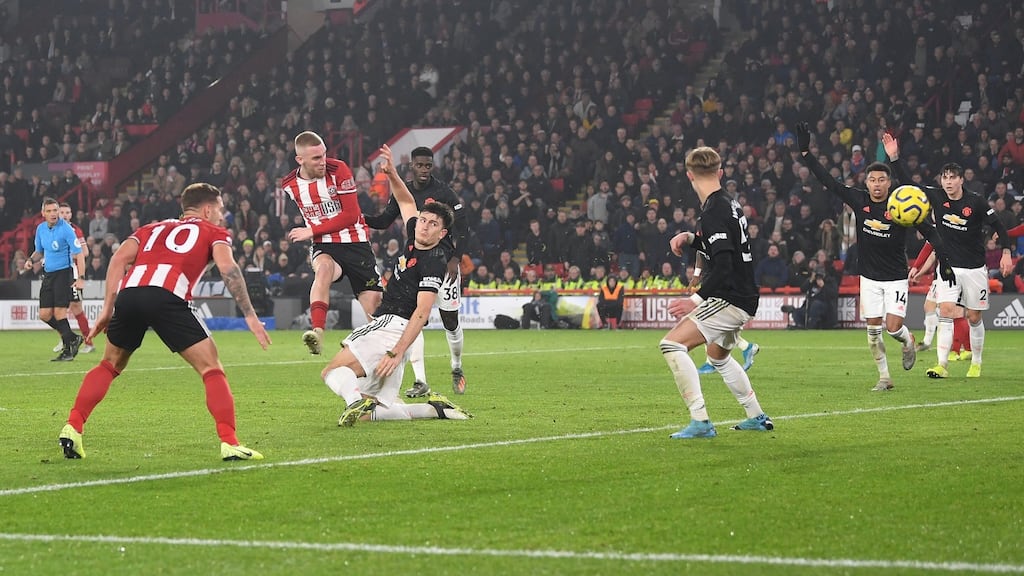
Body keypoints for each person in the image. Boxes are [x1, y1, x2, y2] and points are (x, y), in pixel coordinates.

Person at [57, 183, 272, 461]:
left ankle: (72, 426)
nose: (222, 216)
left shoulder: (151, 228)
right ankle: (229, 442)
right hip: (168, 296)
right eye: (219, 210)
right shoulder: (213, 231)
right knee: (211, 368)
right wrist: (251, 316)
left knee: (109, 364)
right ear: (207, 209)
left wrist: (108, 308)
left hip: (130, 294)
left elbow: (119, 259)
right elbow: (228, 268)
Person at [320, 145, 470, 426]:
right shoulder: (417, 234)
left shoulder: (433, 260)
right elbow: (405, 199)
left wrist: (398, 351)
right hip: (392, 331)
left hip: (391, 328)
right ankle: (434, 410)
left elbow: (423, 312)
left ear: (443, 232)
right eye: (422, 220)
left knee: (331, 372)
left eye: (431, 224)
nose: (423, 226)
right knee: (369, 415)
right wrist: (391, 173)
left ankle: (353, 402)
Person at [799, 123, 948, 391]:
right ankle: (884, 378)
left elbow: (932, 234)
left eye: (882, 180)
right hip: (868, 277)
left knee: (892, 329)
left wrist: (944, 262)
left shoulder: (902, 205)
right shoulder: (859, 200)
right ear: (866, 182)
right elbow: (828, 182)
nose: (877, 184)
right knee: (871, 333)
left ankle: (908, 341)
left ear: (889, 183)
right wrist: (806, 153)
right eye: (872, 180)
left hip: (895, 278)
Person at [662, 146, 773, 439]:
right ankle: (757, 416)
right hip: (745, 294)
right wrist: (690, 238)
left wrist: (695, 300)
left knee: (671, 345)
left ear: (689, 176)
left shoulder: (713, 210)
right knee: (718, 356)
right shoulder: (729, 204)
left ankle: (700, 421)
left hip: (730, 297)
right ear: (720, 173)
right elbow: (725, 249)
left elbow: (723, 264)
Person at [883, 133, 1014, 379]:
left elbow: (1000, 227)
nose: (948, 182)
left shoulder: (975, 202)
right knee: (944, 313)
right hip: (948, 268)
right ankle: (942, 365)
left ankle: (976, 362)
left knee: (974, 317)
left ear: (961, 180)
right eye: (945, 178)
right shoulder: (936, 196)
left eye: (953, 178)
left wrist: (1006, 252)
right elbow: (908, 182)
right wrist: (894, 158)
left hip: (974, 268)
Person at [365, 146, 470, 397]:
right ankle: (421, 380)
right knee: (412, 317)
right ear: (411, 166)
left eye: (428, 166)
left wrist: (455, 259)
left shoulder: (444, 192)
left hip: (441, 265)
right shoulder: (406, 191)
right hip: (414, 264)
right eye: (420, 165)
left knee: (450, 321)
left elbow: (464, 228)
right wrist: (355, 217)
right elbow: (382, 221)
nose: (424, 170)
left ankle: (456, 366)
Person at [282, 131, 381, 356]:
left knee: (374, 307)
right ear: (300, 160)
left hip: (356, 243)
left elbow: (351, 215)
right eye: (316, 158)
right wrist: (314, 232)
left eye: (324, 154)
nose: (323, 161)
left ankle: (383, 347)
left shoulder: (339, 170)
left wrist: (311, 230)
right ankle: (317, 333)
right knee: (323, 270)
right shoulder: (289, 185)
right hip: (325, 245)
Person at [25, 197, 86, 361]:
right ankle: (72, 338)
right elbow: (39, 251)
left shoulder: (66, 229)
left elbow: (79, 254)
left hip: (63, 273)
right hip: (49, 274)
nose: (53, 214)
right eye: (50, 211)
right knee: (44, 315)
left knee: (60, 313)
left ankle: (68, 349)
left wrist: (81, 277)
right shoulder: (40, 229)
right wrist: (31, 260)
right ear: (43, 213)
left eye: (55, 210)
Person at [689, 252, 761, 376]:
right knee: (714, 323)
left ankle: (711, 363)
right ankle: (745, 347)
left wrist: (697, 276)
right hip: (717, 279)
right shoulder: (706, 236)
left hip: (720, 281)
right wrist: (696, 274)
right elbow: (699, 252)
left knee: (706, 321)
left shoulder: (720, 237)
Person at [50, 203, 95, 355]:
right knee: (57, 309)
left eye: (67, 212)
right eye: (62, 212)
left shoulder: (75, 230)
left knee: (76, 308)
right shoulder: (51, 229)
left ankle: (88, 342)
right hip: (57, 273)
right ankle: (65, 339)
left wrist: (67, 255)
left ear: (71, 214)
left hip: (73, 274)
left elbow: (85, 252)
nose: (64, 215)